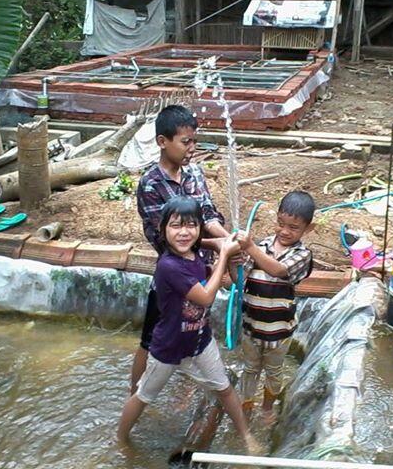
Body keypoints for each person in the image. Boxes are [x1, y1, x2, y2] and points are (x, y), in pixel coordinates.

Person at [117, 197, 258, 452]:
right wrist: (223, 254)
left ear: (200, 229)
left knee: (224, 388)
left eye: (191, 225)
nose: (184, 232)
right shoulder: (168, 266)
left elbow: (215, 279)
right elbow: (205, 297)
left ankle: (246, 436)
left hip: (200, 342)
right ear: (163, 230)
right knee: (143, 396)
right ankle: (121, 440)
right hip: (168, 349)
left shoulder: (193, 256)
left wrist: (225, 260)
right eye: (175, 226)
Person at [132, 105, 230, 394]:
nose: (191, 148)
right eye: (185, 141)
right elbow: (169, 241)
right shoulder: (150, 185)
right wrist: (221, 246)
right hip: (171, 280)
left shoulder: (195, 174)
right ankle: (134, 394)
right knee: (150, 341)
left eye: (194, 141)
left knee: (196, 332)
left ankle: (184, 393)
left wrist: (228, 238)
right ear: (163, 142)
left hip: (200, 271)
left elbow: (209, 215)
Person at [232, 191, 314, 417]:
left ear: (308, 228)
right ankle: (246, 407)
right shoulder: (263, 245)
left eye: (293, 227)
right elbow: (238, 280)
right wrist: (234, 262)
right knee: (249, 369)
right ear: (276, 218)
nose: (285, 231)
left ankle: (267, 408)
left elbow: (278, 270)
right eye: (281, 223)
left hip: (279, 332)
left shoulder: (302, 254)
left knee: (274, 372)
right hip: (251, 327)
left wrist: (249, 248)